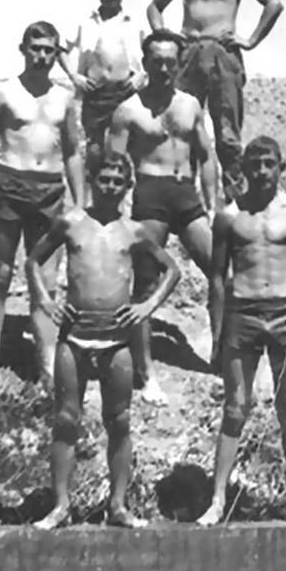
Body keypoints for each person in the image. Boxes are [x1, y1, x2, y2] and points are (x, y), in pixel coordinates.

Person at [26, 152, 181, 530]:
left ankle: (118, 506)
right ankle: (61, 505)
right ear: (93, 181)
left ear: (127, 186)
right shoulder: (71, 222)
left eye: (117, 180)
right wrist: (46, 302)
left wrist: (147, 307)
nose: (110, 186)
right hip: (75, 337)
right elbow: (33, 260)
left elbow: (171, 270)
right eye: (104, 178)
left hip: (117, 341)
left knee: (120, 421)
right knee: (65, 420)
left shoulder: (135, 230)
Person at [199, 136, 286, 526]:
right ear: (243, 169)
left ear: (281, 167)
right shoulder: (229, 217)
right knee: (235, 407)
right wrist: (218, 334)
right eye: (254, 164)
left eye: (268, 164)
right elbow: (218, 281)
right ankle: (218, 500)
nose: (261, 172)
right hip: (244, 313)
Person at [0, 22, 84, 392]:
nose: (42, 56)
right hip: (8, 187)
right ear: (23, 49)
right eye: (36, 48)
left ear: (56, 54)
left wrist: (80, 204)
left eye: (49, 50)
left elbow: (71, 152)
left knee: (45, 284)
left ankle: (47, 368)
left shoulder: (63, 99)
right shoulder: (3, 94)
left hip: (49, 191)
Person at [147, 0, 284, 202]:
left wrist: (250, 41)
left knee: (228, 135)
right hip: (188, 55)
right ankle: (184, 200)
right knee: (182, 126)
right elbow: (154, 7)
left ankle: (235, 201)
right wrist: (164, 37)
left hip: (223, 54)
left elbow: (273, 3)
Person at [109, 30, 217, 405]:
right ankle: (146, 375)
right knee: (145, 283)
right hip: (149, 195)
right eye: (157, 61)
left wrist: (213, 205)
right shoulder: (129, 110)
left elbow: (206, 156)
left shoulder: (189, 105)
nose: (164, 68)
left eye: (171, 61)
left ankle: (220, 355)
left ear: (179, 62)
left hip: (186, 195)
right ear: (146, 62)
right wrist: (117, 212)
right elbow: (114, 164)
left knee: (222, 271)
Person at [58, 0, 146, 177]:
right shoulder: (85, 22)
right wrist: (74, 76)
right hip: (95, 94)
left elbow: (154, 54)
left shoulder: (135, 23)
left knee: (127, 150)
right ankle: (92, 204)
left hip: (127, 92)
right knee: (95, 151)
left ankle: (128, 205)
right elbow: (60, 47)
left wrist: (142, 76)